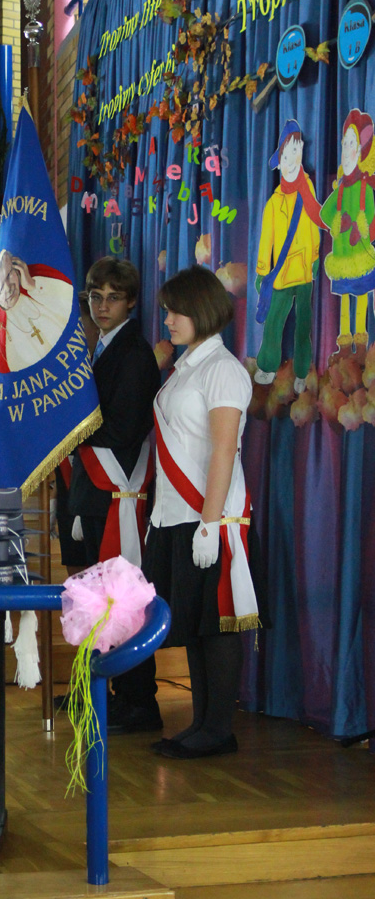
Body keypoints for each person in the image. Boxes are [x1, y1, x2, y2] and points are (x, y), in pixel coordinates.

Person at [144, 264, 265, 760]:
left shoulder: (222, 370)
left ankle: (218, 729)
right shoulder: (187, 366)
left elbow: (223, 451)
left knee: (217, 625)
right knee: (195, 624)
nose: (168, 320)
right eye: (167, 311)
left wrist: (210, 523)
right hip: (178, 515)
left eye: (176, 311)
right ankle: (200, 723)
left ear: (202, 310)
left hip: (210, 517)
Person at [68, 257, 161, 731]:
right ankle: (106, 692)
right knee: (98, 598)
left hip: (115, 488)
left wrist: (69, 433)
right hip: (95, 488)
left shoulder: (134, 354)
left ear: (131, 302)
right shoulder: (102, 346)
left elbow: (124, 428)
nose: (102, 306)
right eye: (95, 297)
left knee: (121, 600)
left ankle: (139, 700)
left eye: (113, 298)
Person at [254, 120, 323, 393]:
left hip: (304, 270)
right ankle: (267, 365)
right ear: (279, 161)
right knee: (274, 323)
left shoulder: (308, 191)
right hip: (282, 273)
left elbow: (314, 226)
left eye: (296, 150)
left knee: (303, 325)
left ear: (302, 152)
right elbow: (266, 240)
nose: (292, 159)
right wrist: (262, 271)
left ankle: (302, 371)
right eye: (286, 154)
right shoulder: (274, 202)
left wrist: (315, 257)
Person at [320, 108, 375, 352]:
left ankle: (360, 341)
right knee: (344, 300)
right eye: (344, 144)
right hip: (341, 257)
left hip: (360, 255)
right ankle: (344, 342)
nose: (345, 150)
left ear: (360, 151)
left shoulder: (365, 188)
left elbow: (370, 213)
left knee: (361, 296)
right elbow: (324, 212)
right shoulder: (340, 190)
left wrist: (361, 228)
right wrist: (337, 222)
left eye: (351, 143)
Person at [0, 249, 72, 372]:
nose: (8, 287)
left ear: (18, 270)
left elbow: (70, 304)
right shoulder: (1, 334)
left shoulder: (39, 291)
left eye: (9, 275)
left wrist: (33, 285)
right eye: (1, 284)